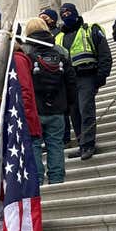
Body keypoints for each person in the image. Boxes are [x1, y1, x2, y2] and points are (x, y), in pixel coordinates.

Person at [56, 2, 112, 160]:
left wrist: (100, 77)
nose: (66, 15)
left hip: (86, 76)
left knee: (85, 110)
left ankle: (88, 144)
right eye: (63, 13)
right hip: (69, 81)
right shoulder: (59, 37)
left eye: (69, 12)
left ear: (75, 12)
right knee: (75, 114)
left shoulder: (90, 29)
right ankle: (82, 144)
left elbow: (104, 55)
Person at [23, 17, 76, 185]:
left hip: (35, 110)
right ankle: (57, 180)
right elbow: (71, 82)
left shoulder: (25, 54)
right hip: (58, 109)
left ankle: (37, 180)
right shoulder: (61, 52)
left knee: (34, 145)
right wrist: (68, 105)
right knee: (55, 145)